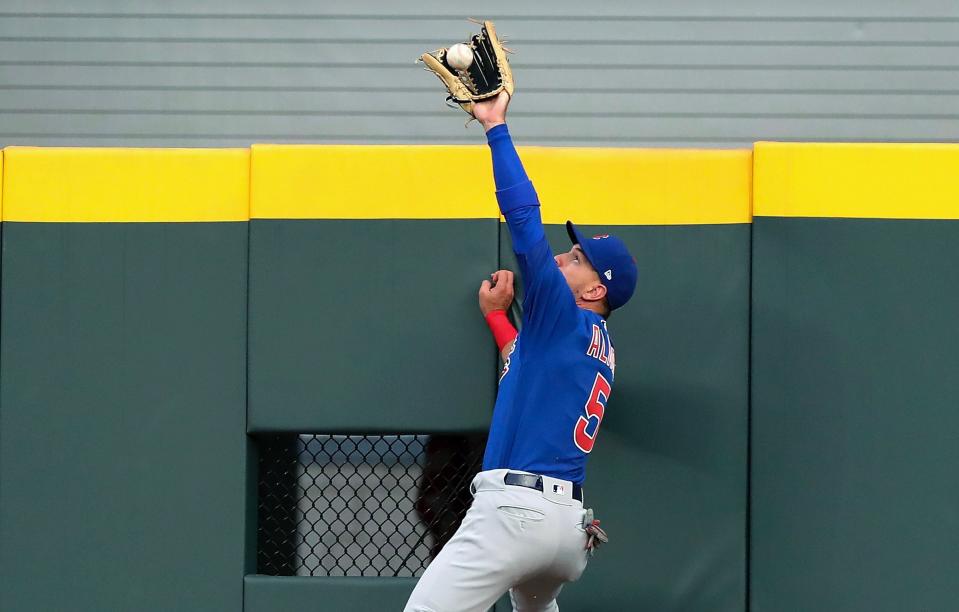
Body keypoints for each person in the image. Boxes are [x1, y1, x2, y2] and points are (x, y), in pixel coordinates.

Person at [404, 91, 638, 612]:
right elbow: (524, 364)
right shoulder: (597, 346)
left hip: (516, 511)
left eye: (576, 259)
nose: (562, 257)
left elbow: (524, 221)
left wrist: (495, 128)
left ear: (595, 290)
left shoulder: (564, 317)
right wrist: (497, 317)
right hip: (565, 530)